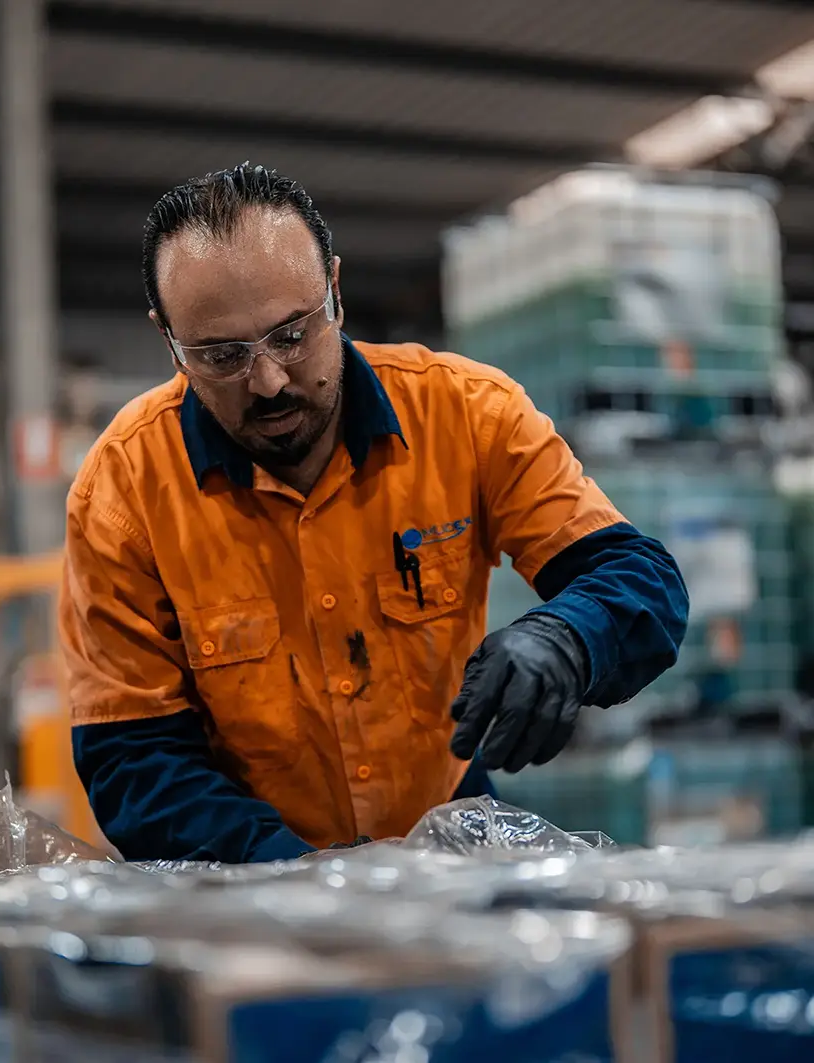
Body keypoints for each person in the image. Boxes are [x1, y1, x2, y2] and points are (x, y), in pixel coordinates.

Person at [59, 163, 688, 863]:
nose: (267, 380)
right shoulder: (123, 490)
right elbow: (132, 759)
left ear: (335, 288)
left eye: (292, 334)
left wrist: (567, 639)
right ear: (168, 337)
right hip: (247, 887)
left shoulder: (468, 415)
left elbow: (638, 577)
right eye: (221, 355)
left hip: (447, 854)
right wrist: (307, 885)